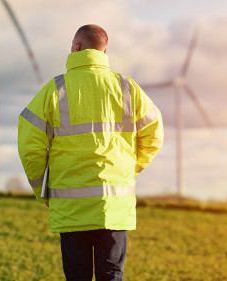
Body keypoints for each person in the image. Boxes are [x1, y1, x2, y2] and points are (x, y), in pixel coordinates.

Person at [17, 24, 163, 281]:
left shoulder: (55, 89)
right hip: (115, 207)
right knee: (111, 275)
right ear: (105, 50)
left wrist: (44, 189)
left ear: (76, 47)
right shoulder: (127, 88)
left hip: (72, 208)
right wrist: (130, 167)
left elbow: (30, 144)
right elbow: (154, 134)